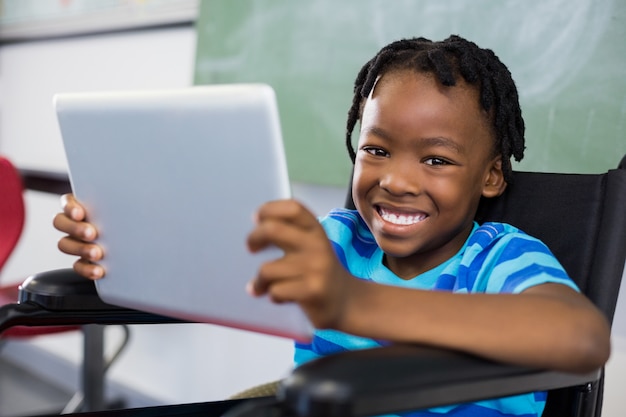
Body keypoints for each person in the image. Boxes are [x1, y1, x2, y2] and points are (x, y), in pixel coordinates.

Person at [54, 35, 610, 416]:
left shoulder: (499, 258)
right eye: (376, 149)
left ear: (490, 177)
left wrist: (353, 302)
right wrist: (118, 244)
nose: (395, 180)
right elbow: (214, 268)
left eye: (436, 160)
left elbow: (581, 338)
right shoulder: (336, 238)